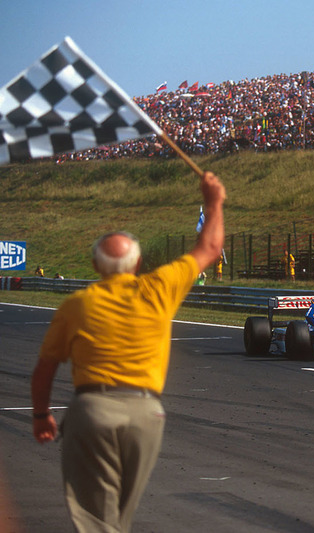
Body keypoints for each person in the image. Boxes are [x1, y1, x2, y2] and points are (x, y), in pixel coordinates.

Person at [30, 171, 226, 533]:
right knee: (120, 517)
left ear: (95, 267)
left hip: (93, 410)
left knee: (95, 519)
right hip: (146, 414)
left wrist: (42, 415)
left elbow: (44, 370)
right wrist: (213, 201)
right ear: (137, 265)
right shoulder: (159, 287)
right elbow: (210, 249)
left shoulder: (77, 304)